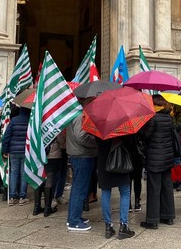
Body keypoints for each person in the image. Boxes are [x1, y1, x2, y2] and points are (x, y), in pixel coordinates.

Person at [139, 95, 175, 230]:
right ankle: (168, 216)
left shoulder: (152, 117)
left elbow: (146, 136)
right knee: (167, 187)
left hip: (154, 157)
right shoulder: (168, 116)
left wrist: (142, 128)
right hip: (167, 157)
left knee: (154, 188)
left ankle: (152, 220)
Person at [66, 98, 98, 232]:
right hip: (82, 155)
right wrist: (95, 142)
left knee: (79, 187)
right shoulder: (80, 115)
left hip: (80, 154)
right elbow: (81, 136)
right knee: (80, 188)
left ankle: (73, 216)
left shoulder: (75, 113)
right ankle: (74, 220)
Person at [97, 136, 136, 240]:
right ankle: (124, 226)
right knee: (125, 193)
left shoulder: (100, 126)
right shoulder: (124, 127)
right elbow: (131, 143)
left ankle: (108, 227)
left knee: (105, 193)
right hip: (121, 161)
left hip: (104, 163)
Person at [2, 105, 31, 206]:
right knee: (24, 173)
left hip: (13, 151)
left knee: (14, 173)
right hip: (25, 151)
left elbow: (6, 137)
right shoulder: (30, 121)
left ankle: (12, 197)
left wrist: (4, 150)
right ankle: (22, 197)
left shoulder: (13, 120)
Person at [33, 132, 65, 216]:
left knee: (39, 180)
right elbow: (62, 142)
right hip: (53, 157)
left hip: (38, 156)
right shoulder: (54, 127)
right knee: (50, 181)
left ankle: (36, 207)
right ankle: (47, 208)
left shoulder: (36, 125)